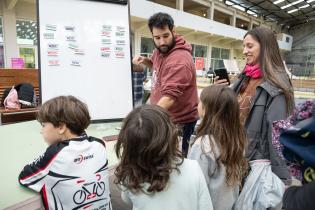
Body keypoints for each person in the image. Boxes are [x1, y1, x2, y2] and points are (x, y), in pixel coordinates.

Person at [215, 27, 295, 181]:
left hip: (254, 165)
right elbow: (229, 111)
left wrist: (281, 179)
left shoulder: (278, 85)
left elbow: (278, 136)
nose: (244, 51)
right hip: (232, 156)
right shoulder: (244, 78)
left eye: (249, 46)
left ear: (265, 48)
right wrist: (221, 92)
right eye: (244, 46)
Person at [18, 96, 111, 210]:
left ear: (61, 127)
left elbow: (24, 177)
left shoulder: (55, 154)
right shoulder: (99, 144)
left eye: (43, 125)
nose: (41, 131)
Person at [114, 105, 213, 210]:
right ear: (171, 135)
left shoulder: (129, 175)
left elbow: (127, 200)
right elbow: (206, 206)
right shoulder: (193, 168)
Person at [132, 12, 198, 156]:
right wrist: (145, 60)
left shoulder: (179, 60)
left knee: (178, 163)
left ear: (173, 32)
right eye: (157, 37)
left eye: (166, 36)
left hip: (180, 124)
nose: (162, 42)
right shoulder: (160, 51)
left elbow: (169, 97)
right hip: (165, 118)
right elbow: (155, 65)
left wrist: (146, 119)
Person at [188, 85, 247, 210]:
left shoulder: (203, 145)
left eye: (200, 102)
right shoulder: (236, 140)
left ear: (206, 109)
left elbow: (194, 185)